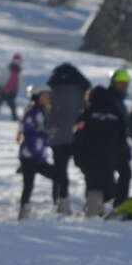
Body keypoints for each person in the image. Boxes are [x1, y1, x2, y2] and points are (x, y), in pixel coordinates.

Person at [72, 86, 125, 217]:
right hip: (109, 158)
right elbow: (122, 137)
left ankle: (93, 212)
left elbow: (77, 136)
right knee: (108, 185)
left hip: (90, 157)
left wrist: (78, 158)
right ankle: (103, 210)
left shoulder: (87, 114)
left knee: (93, 185)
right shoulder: (116, 114)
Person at [46, 63, 91, 214]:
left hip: (58, 135)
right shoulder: (82, 87)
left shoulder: (54, 87)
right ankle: (91, 201)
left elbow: (49, 112)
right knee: (86, 169)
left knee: (59, 169)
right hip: (78, 135)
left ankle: (59, 199)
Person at [17, 86, 59, 219]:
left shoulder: (44, 111)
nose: (47, 98)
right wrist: (45, 136)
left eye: (48, 95)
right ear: (37, 96)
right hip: (29, 156)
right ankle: (24, 212)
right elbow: (29, 133)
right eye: (44, 95)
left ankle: (57, 204)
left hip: (39, 157)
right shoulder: (32, 110)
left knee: (58, 177)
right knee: (28, 185)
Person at [106, 68, 132, 205]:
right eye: (120, 83)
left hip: (119, 147)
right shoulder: (108, 100)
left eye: (125, 84)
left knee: (125, 174)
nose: (123, 87)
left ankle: (119, 204)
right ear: (112, 83)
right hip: (108, 147)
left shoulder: (119, 101)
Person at [0, 53, 23, 121]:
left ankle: (15, 118)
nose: (17, 62)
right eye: (16, 60)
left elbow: (17, 83)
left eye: (19, 61)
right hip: (2, 91)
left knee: (12, 106)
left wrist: (15, 91)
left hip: (11, 92)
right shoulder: (7, 69)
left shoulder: (18, 71)